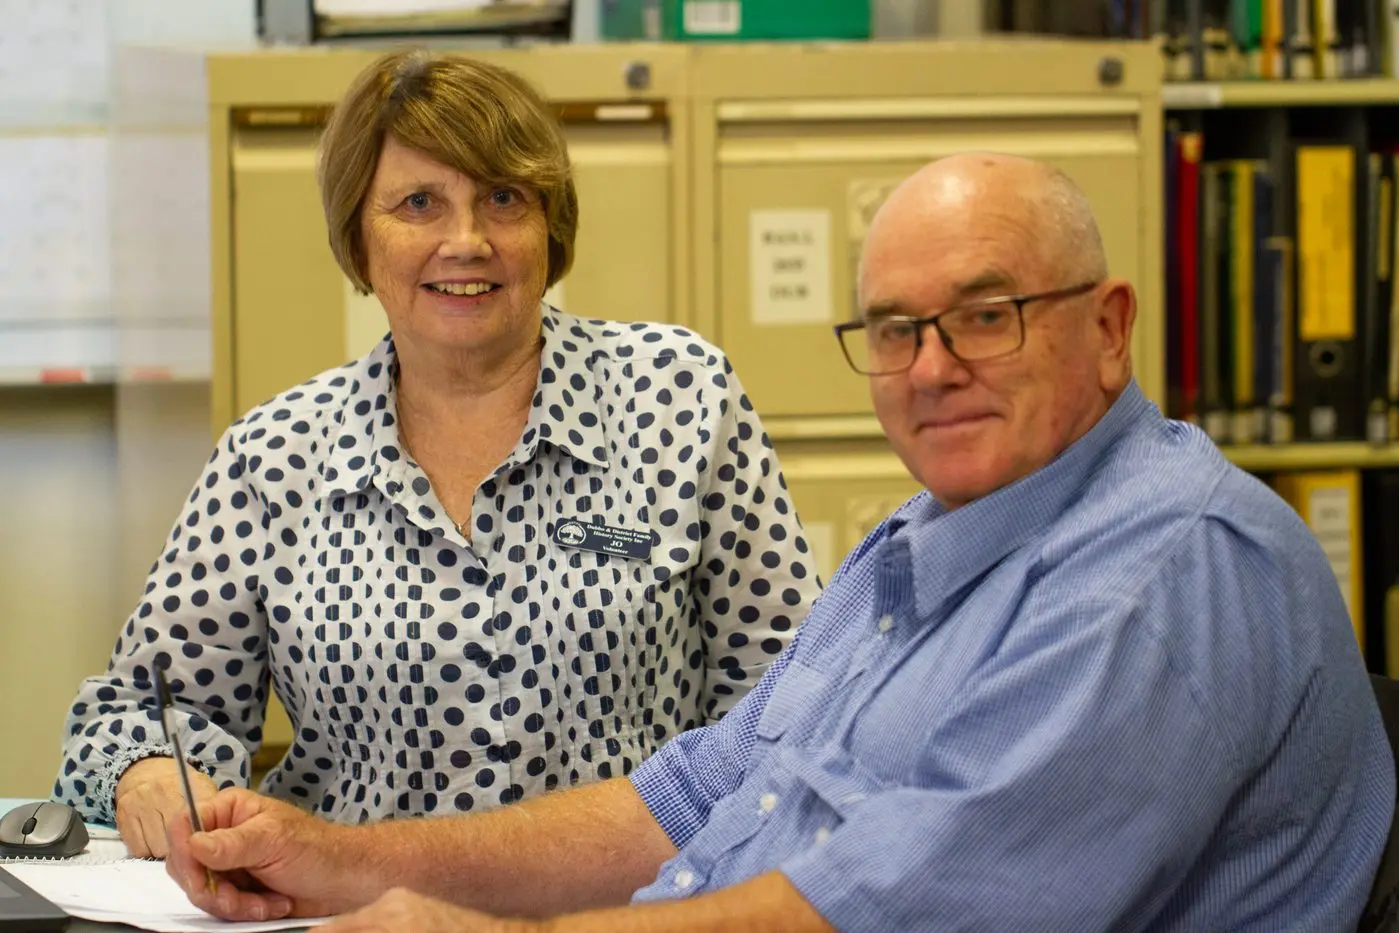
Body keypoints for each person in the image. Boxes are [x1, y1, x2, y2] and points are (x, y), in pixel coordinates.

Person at [165, 151, 1395, 932]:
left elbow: (888, 914)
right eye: (896, 330)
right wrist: (348, 861)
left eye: (987, 316)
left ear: (1111, 326)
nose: (933, 369)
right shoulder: (925, 544)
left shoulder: (1154, 578)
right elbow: (692, 796)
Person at [54, 49, 821, 857]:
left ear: (547, 225)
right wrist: (146, 775)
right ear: (359, 234)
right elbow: (137, 711)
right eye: (419, 203)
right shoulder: (274, 457)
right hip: (356, 909)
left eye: (501, 198)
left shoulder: (678, 399)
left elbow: (796, 694)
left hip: (627, 905)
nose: (466, 240)